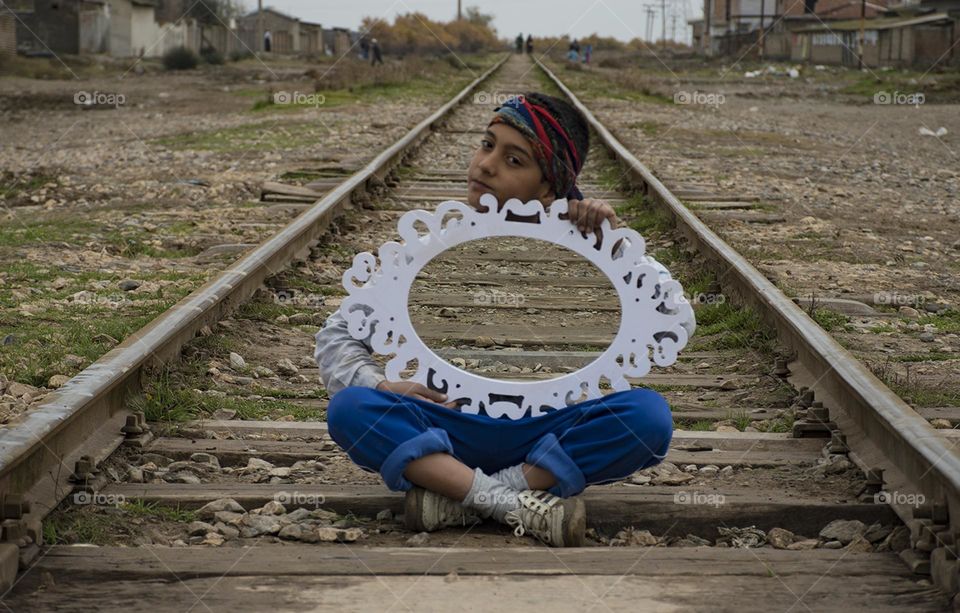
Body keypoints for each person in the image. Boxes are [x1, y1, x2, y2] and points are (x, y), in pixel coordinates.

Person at [315, 92, 673, 547]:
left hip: (546, 432)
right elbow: (338, 333)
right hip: (448, 425)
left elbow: (668, 314)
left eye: (513, 159)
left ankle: (462, 496)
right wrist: (383, 385)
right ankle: (512, 504)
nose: (485, 165)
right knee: (351, 409)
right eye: (486, 144)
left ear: (549, 185)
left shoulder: (590, 251)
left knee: (649, 418)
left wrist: (616, 243)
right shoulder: (435, 246)